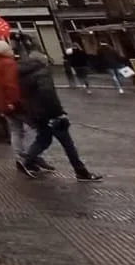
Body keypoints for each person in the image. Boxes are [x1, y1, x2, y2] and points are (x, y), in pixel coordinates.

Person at [16, 50, 103, 181]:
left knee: (44, 139)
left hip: (36, 113)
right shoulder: (42, 74)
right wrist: (59, 113)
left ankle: (27, 160)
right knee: (67, 144)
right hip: (50, 114)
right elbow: (49, 95)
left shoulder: (22, 75)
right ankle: (81, 172)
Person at [0, 40, 47, 173]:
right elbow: (11, 84)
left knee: (16, 130)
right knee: (34, 129)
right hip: (14, 104)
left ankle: (19, 158)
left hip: (2, 104)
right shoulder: (7, 63)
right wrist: (14, 101)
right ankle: (31, 157)